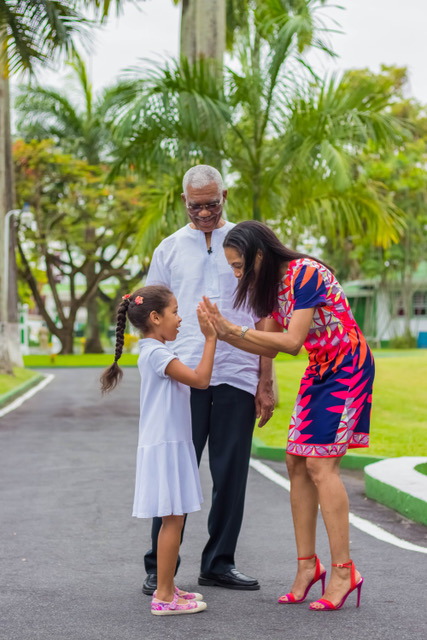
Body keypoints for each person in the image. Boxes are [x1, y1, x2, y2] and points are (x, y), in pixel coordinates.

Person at [201, 220, 375, 611]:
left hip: (348, 365)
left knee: (320, 464)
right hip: (320, 369)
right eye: (231, 267)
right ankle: (307, 567)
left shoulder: (306, 274)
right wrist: (233, 345)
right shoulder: (268, 289)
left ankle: (345, 571)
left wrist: (232, 332)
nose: (236, 274)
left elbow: (292, 342)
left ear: (259, 255)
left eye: (239, 266)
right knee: (296, 461)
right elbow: (267, 342)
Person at [142, 165, 274, 595]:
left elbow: (264, 313)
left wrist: (265, 379)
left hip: (237, 372)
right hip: (185, 376)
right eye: (195, 206)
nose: (203, 213)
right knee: (176, 472)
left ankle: (219, 562)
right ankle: (158, 568)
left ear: (225, 196)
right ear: (184, 201)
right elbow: (149, 314)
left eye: (211, 204)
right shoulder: (168, 249)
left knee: (230, 473)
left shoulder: (246, 244)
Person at [100, 285, 217, 616]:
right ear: (155, 317)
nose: (179, 319)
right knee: (172, 519)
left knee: (174, 518)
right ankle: (164, 596)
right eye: (175, 312)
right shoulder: (156, 353)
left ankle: (168, 586)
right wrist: (211, 339)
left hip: (170, 442)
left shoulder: (155, 350)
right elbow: (201, 380)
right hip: (166, 445)